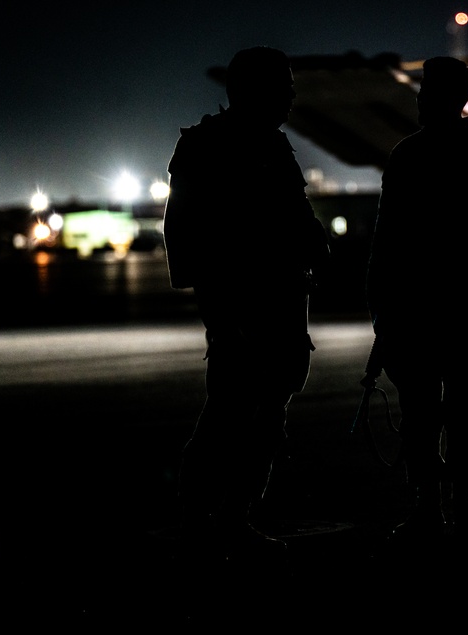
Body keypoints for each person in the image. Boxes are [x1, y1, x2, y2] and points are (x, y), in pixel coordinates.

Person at [162, 46, 330, 558]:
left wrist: (314, 243)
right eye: (283, 88)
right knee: (229, 411)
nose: (290, 98)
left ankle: (236, 516)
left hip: (281, 299)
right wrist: (218, 308)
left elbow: (296, 212)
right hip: (238, 301)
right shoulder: (207, 146)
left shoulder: (273, 145)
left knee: (268, 413)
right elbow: (183, 230)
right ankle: (198, 517)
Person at [366, 56, 468, 542]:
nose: (419, 101)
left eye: (426, 93)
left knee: (430, 412)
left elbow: (387, 241)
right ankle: (459, 506)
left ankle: (436, 507)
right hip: (460, 307)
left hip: (426, 309)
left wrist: (381, 307)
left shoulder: (409, 155)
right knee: (460, 411)